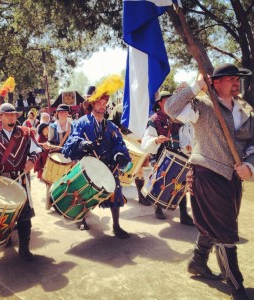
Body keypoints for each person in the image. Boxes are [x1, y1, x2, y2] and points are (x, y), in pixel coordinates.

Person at [164, 63, 253, 300]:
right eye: (230, 79)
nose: (236, 83)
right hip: (207, 173)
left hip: (233, 177)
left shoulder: (245, 109)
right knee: (225, 230)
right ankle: (237, 287)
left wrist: (250, 166)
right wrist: (196, 87)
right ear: (215, 82)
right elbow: (171, 108)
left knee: (216, 223)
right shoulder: (202, 106)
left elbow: (253, 144)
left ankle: (197, 262)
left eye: (237, 79)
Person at [62, 78, 131, 238]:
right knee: (83, 194)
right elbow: (69, 145)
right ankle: (81, 219)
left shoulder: (111, 126)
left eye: (104, 103)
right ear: (92, 104)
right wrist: (82, 144)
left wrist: (120, 154)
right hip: (88, 167)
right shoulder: (80, 123)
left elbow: (119, 144)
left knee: (116, 192)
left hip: (108, 166)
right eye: (99, 102)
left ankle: (116, 225)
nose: (102, 106)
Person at [0, 103, 43, 261]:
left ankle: (24, 249)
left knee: (24, 215)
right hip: (1, 180)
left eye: (13, 115)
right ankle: (6, 239)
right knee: (3, 213)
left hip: (22, 180)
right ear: (0, 117)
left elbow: (37, 149)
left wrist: (32, 160)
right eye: (8, 115)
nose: (11, 117)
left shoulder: (26, 133)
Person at [141, 91, 194, 225]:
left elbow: (185, 136)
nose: (172, 103)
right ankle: (158, 207)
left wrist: (187, 146)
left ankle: (183, 214)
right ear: (160, 102)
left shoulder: (178, 118)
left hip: (178, 155)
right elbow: (146, 140)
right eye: (168, 100)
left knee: (180, 185)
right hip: (161, 156)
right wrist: (156, 140)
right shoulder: (154, 119)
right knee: (161, 183)